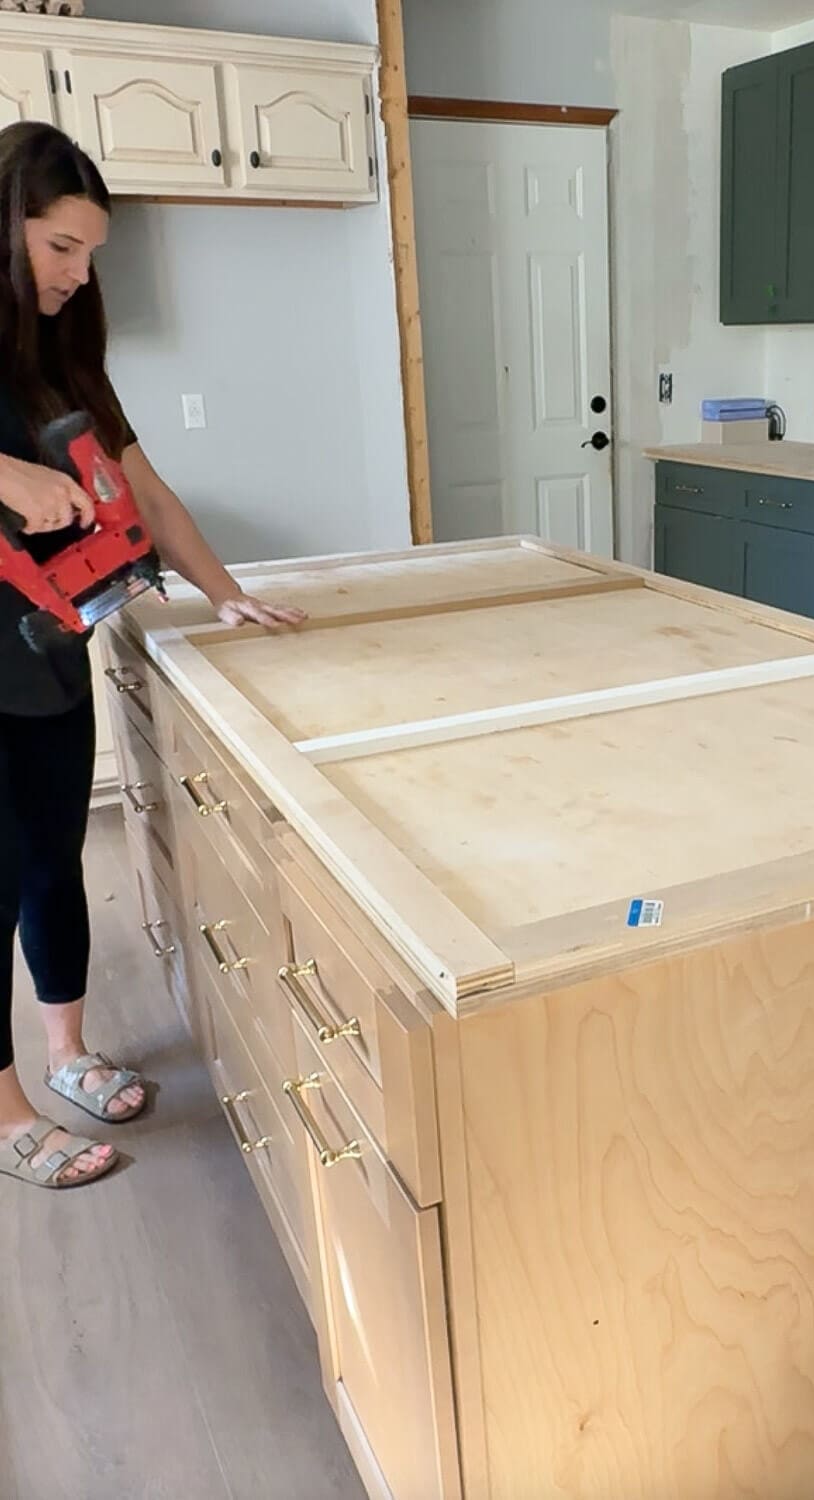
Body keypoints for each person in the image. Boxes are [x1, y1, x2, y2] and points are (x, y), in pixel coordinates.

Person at [0, 121, 307, 1190]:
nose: (79, 275)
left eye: (91, 254)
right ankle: (5, 1114)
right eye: (60, 247)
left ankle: (66, 1053)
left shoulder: (61, 355)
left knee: (53, 861)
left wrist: (227, 595)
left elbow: (149, 492)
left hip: (48, 652)